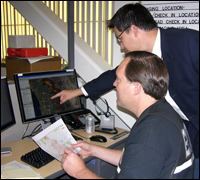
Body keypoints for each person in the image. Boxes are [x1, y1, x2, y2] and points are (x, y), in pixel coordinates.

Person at [51, 3, 199, 178]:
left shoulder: (188, 42)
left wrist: (80, 172)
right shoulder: (143, 62)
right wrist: (77, 92)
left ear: (133, 30)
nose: (121, 46)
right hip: (188, 131)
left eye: (120, 38)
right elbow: (113, 75)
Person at [61, 51, 195, 179]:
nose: (114, 84)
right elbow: (137, 160)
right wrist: (93, 150)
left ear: (136, 88)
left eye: (118, 80)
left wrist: (79, 172)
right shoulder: (163, 111)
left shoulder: (150, 134)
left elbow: (143, 151)